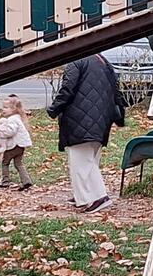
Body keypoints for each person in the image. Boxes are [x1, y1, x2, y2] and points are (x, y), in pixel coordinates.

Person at [48, 53, 124, 213]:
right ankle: (83, 195)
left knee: (81, 162)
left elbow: (68, 88)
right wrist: (119, 116)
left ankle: (98, 197)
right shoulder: (103, 60)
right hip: (101, 118)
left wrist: (54, 109)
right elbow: (116, 91)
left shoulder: (77, 59)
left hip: (80, 118)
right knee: (90, 159)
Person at [0, 93, 34, 190]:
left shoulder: (12, 119)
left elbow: (10, 132)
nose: (3, 109)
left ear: (14, 109)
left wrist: (1, 132)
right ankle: (26, 181)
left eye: (6, 107)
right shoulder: (18, 118)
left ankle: (5, 181)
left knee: (5, 162)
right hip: (21, 146)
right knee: (18, 163)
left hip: (14, 146)